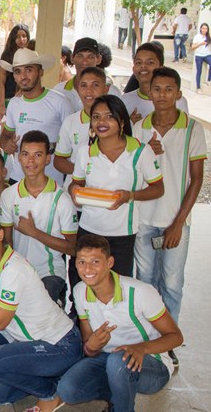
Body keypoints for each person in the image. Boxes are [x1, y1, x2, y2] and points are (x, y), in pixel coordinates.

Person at [0, 212, 81, 412]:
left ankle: (50, 393)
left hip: (60, 344)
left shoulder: (12, 269)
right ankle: (54, 374)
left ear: (0, 234)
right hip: (30, 342)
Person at [56, 235, 184, 412]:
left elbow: (176, 337)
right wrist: (91, 348)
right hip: (108, 359)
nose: (87, 269)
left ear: (110, 262)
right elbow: (89, 344)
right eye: (81, 262)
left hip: (152, 365)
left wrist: (141, 348)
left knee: (118, 361)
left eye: (95, 261)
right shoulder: (80, 291)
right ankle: (121, 389)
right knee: (68, 389)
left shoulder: (140, 292)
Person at [132, 67, 206, 359]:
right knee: (146, 281)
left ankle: (168, 341)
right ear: (149, 93)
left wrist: (179, 222)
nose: (162, 95)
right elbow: (132, 174)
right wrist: (145, 153)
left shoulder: (192, 129)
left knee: (172, 283)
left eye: (168, 89)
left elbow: (197, 178)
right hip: (144, 219)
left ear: (178, 93)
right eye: (156, 89)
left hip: (176, 220)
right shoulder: (139, 129)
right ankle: (149, 341)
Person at [70, 95, 164, 277]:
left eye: (109, 116)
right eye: (96, 117)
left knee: (118, 287)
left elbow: (158, 188)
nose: (101, 122)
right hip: (88, 230)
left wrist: (129, 196)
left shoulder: (140, 151)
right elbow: (76, 183)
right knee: (83, 283)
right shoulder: (86, 152)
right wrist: (73, 190)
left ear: (121, 121)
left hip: (122, 234)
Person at [0, 130, 78, 304]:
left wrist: (34, 232)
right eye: (25, 154)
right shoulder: (9, 195)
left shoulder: (62, 199)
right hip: (17, 270)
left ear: (48, 159)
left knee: (39, 307)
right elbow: (7, 242)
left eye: (38, 155)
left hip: (49, 272)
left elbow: (73, 249)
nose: (31, 161)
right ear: (19, 157)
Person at [0, 48, 74, 182]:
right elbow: (5, 137)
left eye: (29, 70)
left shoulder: (60, 102)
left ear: (40, 72)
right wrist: (6, 144)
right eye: (17, 72)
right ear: (14, 77)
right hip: (18, 179)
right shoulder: (14, 104)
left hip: (52, 180)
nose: (23, 76)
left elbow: (74, 140)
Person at [54, 66, 110, 192]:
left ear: (106, 89)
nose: (88, 91)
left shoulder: (116, 121)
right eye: (83, 85)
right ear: (78, 89)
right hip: (75, 194)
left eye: (95, 85)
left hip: (105, 193)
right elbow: (58, 161)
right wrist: (82, 171)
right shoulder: (71, 121)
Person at [122, 43, 189, 123]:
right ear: (133, 69)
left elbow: (184, 132)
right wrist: (128, 126)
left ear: (161, 68)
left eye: (150, 62)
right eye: (138, 63)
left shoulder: (177, 101)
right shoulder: (124, 101)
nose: (143, 66)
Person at [53, 37, 122, 112]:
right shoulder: (59, 90)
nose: (85, 62)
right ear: (72, 58)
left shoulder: (111, 92)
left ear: (98, 59)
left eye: (90, 57)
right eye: (80, 56)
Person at [0, 24, 30, 120]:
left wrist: (23, 90)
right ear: (12, 39)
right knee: (8, 130)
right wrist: (2, 106)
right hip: (8, 99)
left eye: (24, 36)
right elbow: (1, 82)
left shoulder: (30, 55)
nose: (21, 39)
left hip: (24, 99)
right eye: (17, 37)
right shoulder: (6, 56)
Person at [191, 23, 211, 93]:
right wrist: (200, 44)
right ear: (200, 29)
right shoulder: (197, 37)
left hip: (207, 54)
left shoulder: (208, 37)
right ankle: (198, 88)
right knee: (199, 71)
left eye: (206, 29)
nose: (204, 30)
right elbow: (192, 48)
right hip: (199, 55)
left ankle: (208, 80)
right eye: (203, 28)